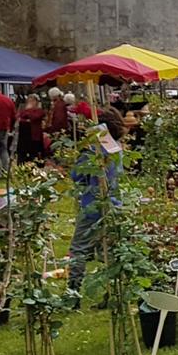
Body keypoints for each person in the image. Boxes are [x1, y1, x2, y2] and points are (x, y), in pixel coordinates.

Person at [67, 124, 122, 291]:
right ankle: (114, 290)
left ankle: (73, 290)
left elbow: (76, 175)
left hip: (93, 205)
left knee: (79, 248)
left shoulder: (92, 151)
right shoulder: (116, 148)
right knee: (109, 250)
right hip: (114, 204)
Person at [15, 94, 47, 163]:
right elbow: (19, 117)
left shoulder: (40, 111)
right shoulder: (24, 110)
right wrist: (26, 117)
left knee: (34, 155)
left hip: (35, 137)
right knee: (22, 155)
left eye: (32, 101)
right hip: (24, 136)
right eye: (29, 101)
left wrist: (28, 112)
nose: (30, 102)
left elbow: (34, 117)